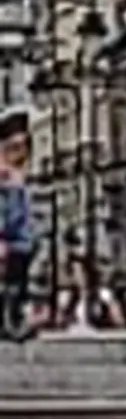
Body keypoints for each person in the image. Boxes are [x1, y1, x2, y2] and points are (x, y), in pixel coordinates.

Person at [0, 107, 37, 341]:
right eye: (14, 148)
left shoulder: (16, 177)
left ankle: (12, 318)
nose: (21, 154)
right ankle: (9, 321)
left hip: (21, 244)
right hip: (10, 243)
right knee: (9, 284)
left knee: (16, 284)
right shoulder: (5, 179)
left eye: (24, 147)